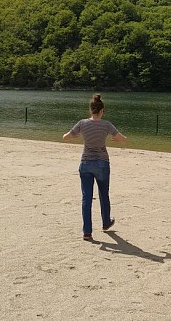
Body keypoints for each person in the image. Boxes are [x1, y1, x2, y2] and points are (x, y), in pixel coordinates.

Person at [63, 94, 127, 242]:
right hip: (102, 164)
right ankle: (105, 223)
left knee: (86, 198)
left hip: (85, 164)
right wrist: (115, 139)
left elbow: (66, 137)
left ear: (90, 110)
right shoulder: (106, 125)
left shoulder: (82, 123)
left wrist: (75, 136)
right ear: (102, 110)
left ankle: (87, 232)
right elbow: (123, 139)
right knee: (104, 194)